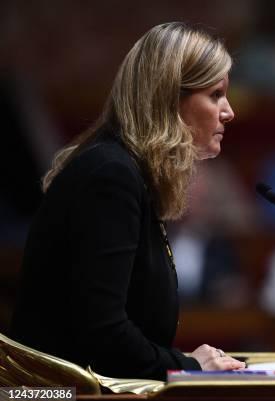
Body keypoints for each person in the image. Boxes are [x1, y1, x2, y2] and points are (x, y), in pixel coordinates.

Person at [9, 22, 245, 380]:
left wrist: (182, 361)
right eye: (215, 95)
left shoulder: (131, 174)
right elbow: (102, 333)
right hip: (53, 399)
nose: (228, 112)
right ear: (169, 99)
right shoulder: (110, 176)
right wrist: (190, 366)